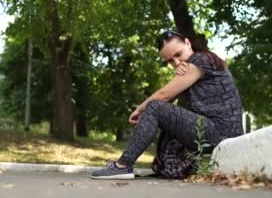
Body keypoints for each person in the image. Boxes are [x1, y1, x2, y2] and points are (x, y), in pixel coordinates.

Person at [91, 30, 244, 180]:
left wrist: (139, 109)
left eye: (178, 54)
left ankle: (123, 166)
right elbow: (170, 103)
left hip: (220, 132)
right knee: (163, 112)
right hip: (213, 130)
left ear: (188, 43)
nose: (176, 63)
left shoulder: (201, 60)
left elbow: (163, 96)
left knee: (155, 107)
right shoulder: (194, 65)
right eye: (170, 60)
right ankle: (166, 167)